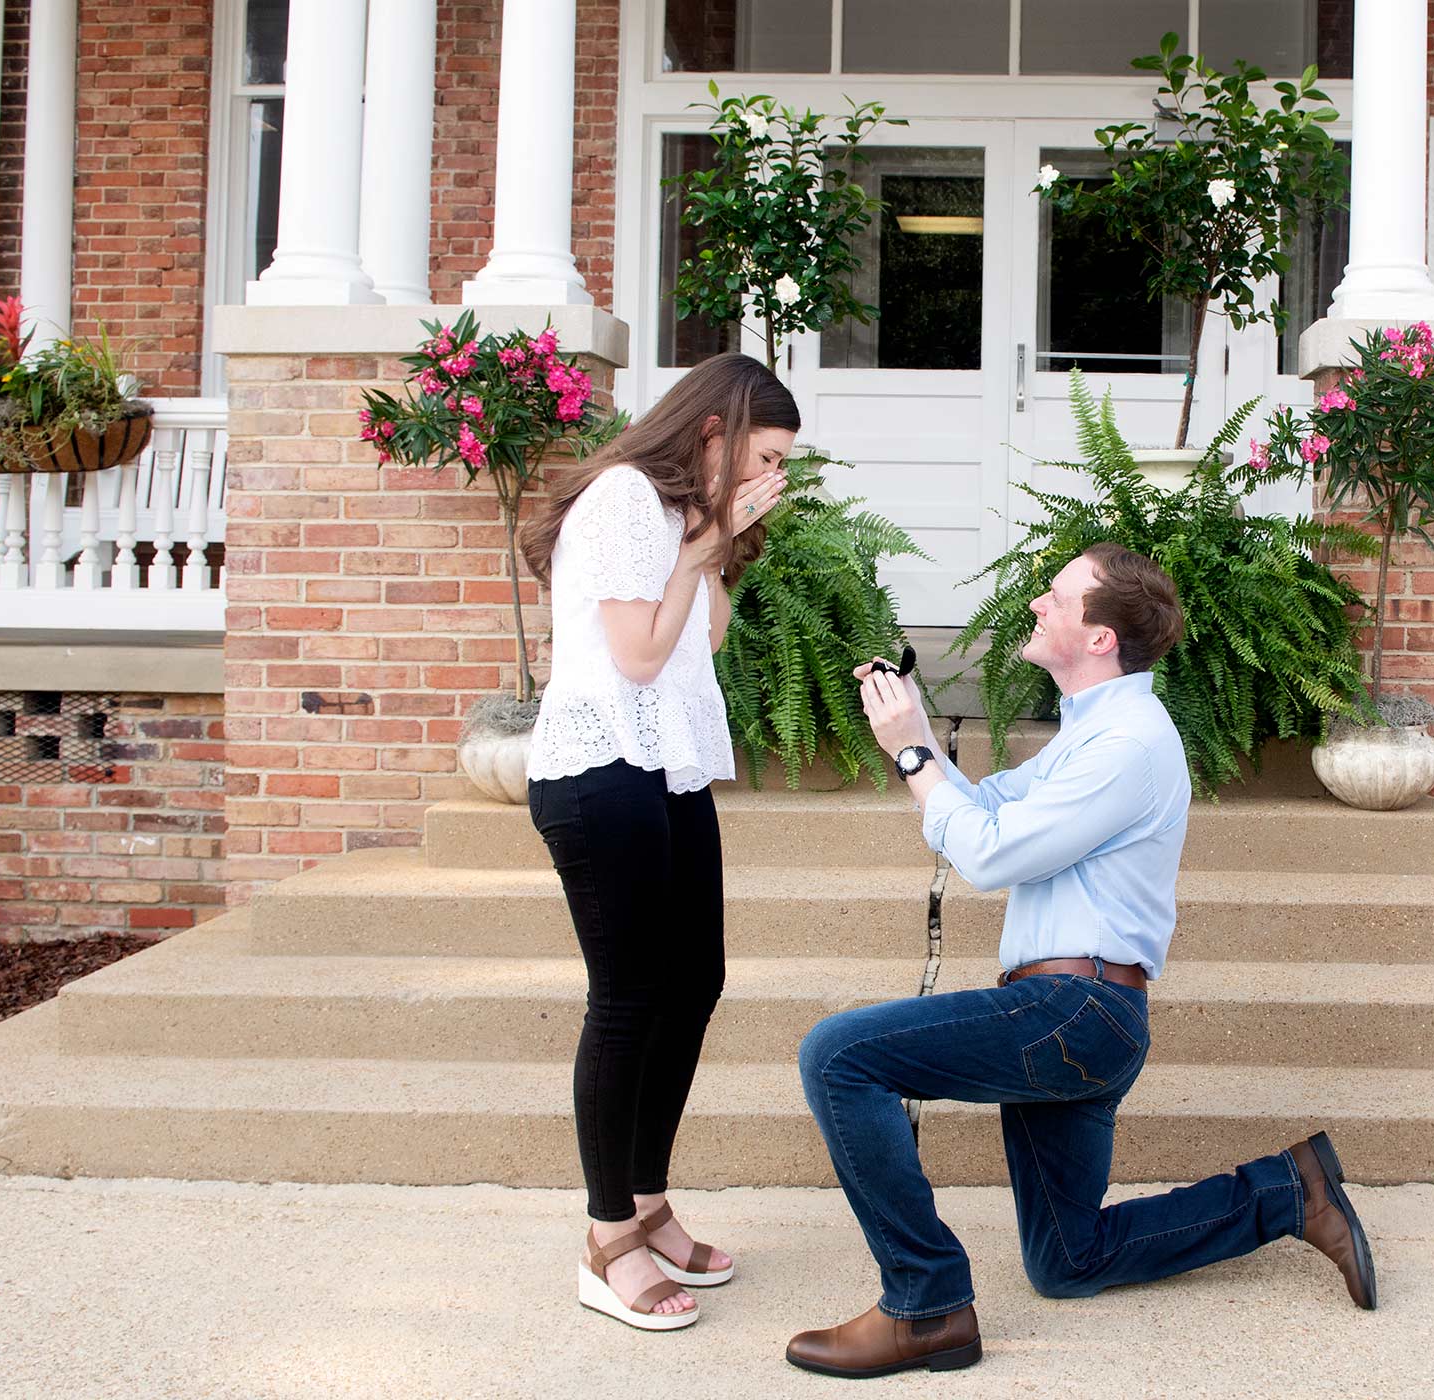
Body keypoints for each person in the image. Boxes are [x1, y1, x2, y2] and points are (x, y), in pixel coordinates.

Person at [785, 542, 1377, 1378]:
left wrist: (915, 758)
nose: (1035, 605)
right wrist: (913, 734)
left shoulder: (1127, 744)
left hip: (1072, 1012)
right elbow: (987, 808)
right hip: (1076, 1019)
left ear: (1100, 637)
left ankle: (925, 1305)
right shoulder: (1091, 733)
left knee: (838, 1056)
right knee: (1068, 1258)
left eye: (1056, 597)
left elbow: (987, 856)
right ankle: (1289, 1190)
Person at [518, 352, 794, 1331]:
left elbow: (701, 640)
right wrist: (697, 544)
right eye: (762, 456)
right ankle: (606, 1239)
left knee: (696, 979)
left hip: (664, 766)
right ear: (714, 435)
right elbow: (636, 658)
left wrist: (712, 544)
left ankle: (646, 1199)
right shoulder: (624, 495)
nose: (772, 480)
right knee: (630, 997)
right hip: (601, 769)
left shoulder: (675, 515)